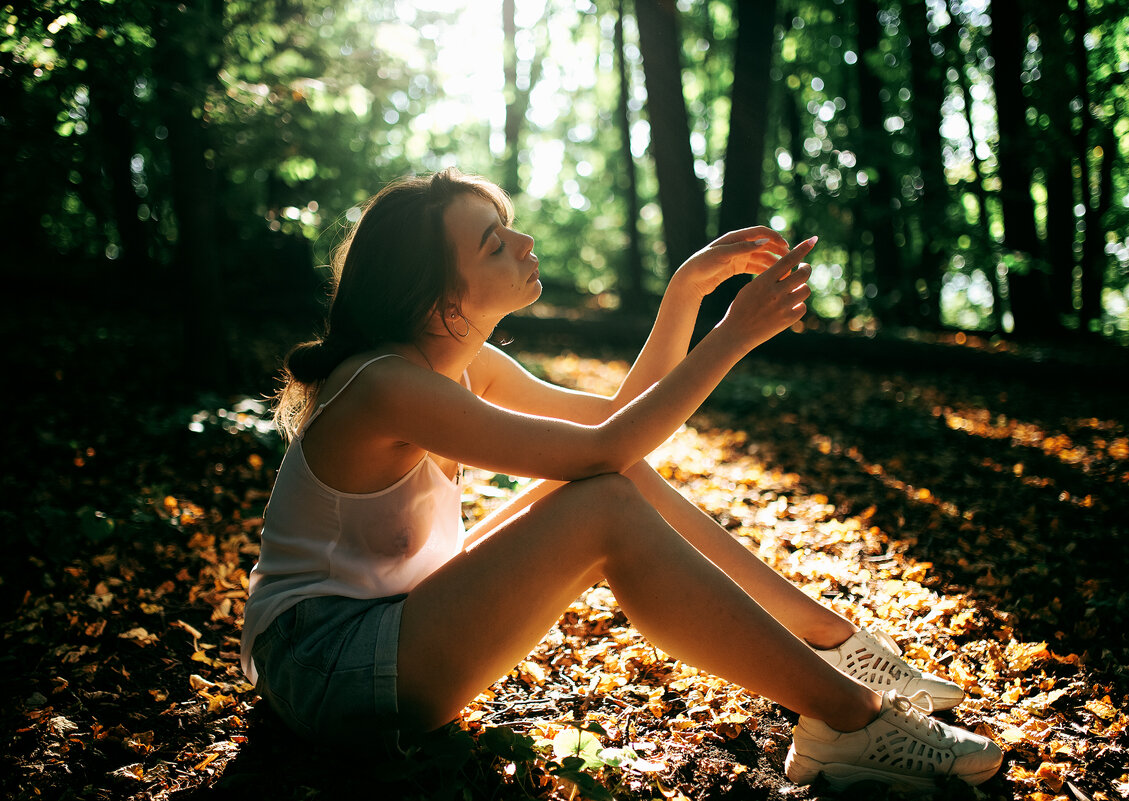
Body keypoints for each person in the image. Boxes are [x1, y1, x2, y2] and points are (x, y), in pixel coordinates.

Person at [240, 168, 1002, 791]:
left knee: (620, 476)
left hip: (386, 632)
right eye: (493, 243)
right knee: (604, 495)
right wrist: (729, 337)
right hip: (327, 664)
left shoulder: (459, 365)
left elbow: (614, 418)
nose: (524, 240)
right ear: (440, 298)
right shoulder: (385, 385)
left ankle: (836, 647)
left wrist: (686, 292)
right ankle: (850, 717)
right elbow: (605, 445)